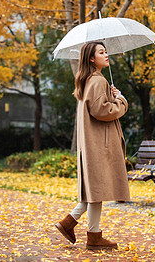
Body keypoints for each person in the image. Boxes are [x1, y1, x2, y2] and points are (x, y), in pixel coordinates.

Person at [55, 41, 130, 250]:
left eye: (106, 52)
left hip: (94, 143)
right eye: (101, 52)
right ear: (91, 58)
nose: (106, 55)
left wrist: (111, 94)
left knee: (95, 189)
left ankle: (71, 224)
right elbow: (101, 111)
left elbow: (98, 107)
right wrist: (121, 100)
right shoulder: (97, 81)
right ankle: (92, 235)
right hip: (99, 144)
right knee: (97, 189)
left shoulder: (91, 80)